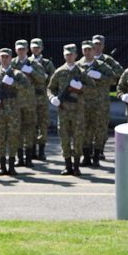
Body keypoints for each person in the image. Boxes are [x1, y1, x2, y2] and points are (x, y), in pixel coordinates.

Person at [47, 44, 95, 176]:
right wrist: (53, 98)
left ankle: (76, 166)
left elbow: (93, 89)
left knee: (78, 138)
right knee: (64, 138)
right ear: (64, 56)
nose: (69, 57)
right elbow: (50, 88)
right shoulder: (59, 72)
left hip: (78, 111)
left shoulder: (81, 72)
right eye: (67, 55)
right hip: (63, 111)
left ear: (76, 56)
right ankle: (68, 166)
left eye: (71, 54)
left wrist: (81, 88)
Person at [0, 48, 30, 176]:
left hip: (13, 112)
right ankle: (2, 166)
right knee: (0, 138)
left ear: (11, 58)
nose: (4, 59)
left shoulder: (18, 75)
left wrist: (14, 83)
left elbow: (27, 88)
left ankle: (12, 165)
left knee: (13, 138)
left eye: (7, 57)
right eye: (2, 57)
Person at [75, 40, 116, 169]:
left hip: (100, 104)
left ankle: (97, 156)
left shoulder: (102, 65)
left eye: (90, 49)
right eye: (85, 50)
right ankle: (86, 156)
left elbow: (113, 79)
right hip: (83, 103)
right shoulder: (77, 65)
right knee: (84, 129)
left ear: (94, 50)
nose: (87, 52)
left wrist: (100, 76)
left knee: (100, 129)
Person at [12, 40, 46, 169]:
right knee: (17, 129)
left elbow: (42, 79)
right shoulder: (12, 63)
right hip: (15, 102)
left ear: (27, 50)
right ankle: (19, 157)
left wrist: (32, 71)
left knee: (30, 130)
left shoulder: (34, 64)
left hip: (30, 102)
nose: (21, 51)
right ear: (16, 50)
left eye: (23, 49)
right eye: (19, 49)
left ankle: (29, 158)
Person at [90, 35, 122, 161]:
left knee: (101, 125)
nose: (96, 47)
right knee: (87, 125)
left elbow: (119, 72)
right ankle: (88, 150)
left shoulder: (108, 60)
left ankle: (99, 150)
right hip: (87, 98)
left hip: (102, 98)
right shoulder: (86, 59)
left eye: (99, 44)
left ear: (103, 46)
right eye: (95, 44)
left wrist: (101, 75)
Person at [28, 39, 55, 161]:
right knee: (31, 124)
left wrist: (44, 77)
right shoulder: (27, 62)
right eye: (34, 47)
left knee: (42, 124)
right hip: (29, 98)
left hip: (42, 97)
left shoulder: (47, 63)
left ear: (42, 48)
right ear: (30, 48)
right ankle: (32, 150)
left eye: (38, 47)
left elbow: (54, 79)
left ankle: (42, 151)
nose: (36, 49)